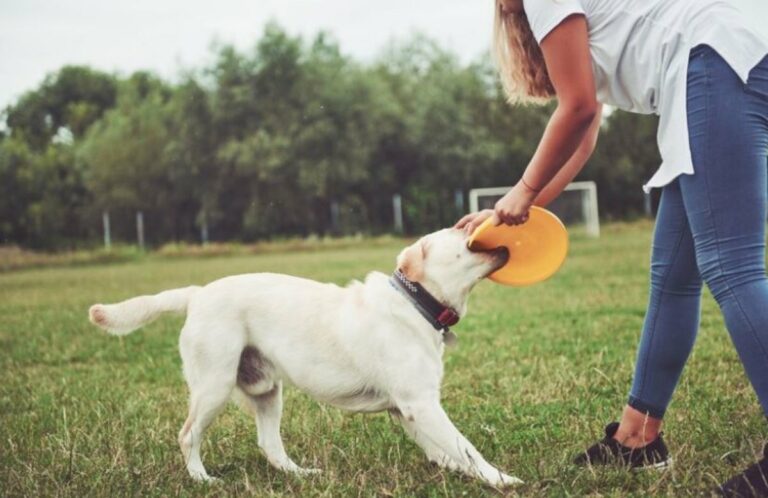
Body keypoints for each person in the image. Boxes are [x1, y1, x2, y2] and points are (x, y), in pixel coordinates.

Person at [455, 0, 768, 495]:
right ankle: (636, 439)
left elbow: (575, 107)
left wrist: (521, 190)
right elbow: (582, 132)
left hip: (714, 55)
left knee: (732, 268)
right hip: (725, 54)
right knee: (673, 280)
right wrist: (512, 209)